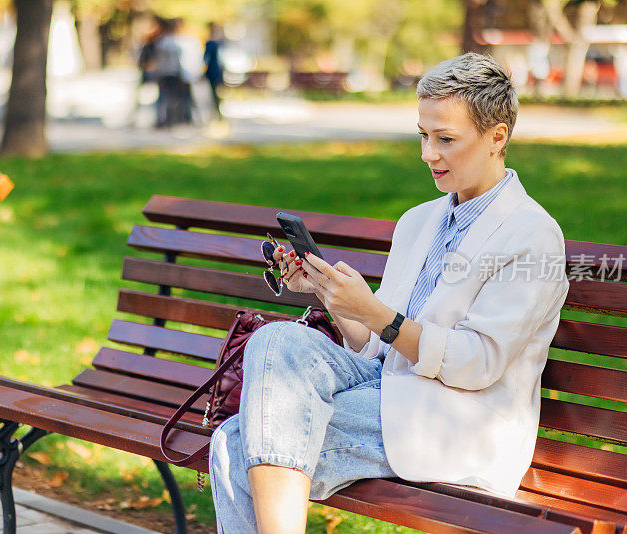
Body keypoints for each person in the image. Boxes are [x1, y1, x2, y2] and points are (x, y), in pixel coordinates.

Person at [208, 52, 570, 533]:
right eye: (423, 135)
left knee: (233, 444)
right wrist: (331, 296)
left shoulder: (531, 236)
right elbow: (376, 346)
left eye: (446, 139)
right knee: (275, 341)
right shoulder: (418, 221)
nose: (428, 153)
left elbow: (479, 362)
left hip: (458, 421)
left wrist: (380, 316)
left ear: (497, 138)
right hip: (387, 393)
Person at [203, 22, 225, 119]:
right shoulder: (220, 42)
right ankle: (217, 112)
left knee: (214, 92)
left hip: (212, 70)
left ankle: (216, 112)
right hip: (218, 70)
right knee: (217, 92)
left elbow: (205, 58)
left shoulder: (210, 43)